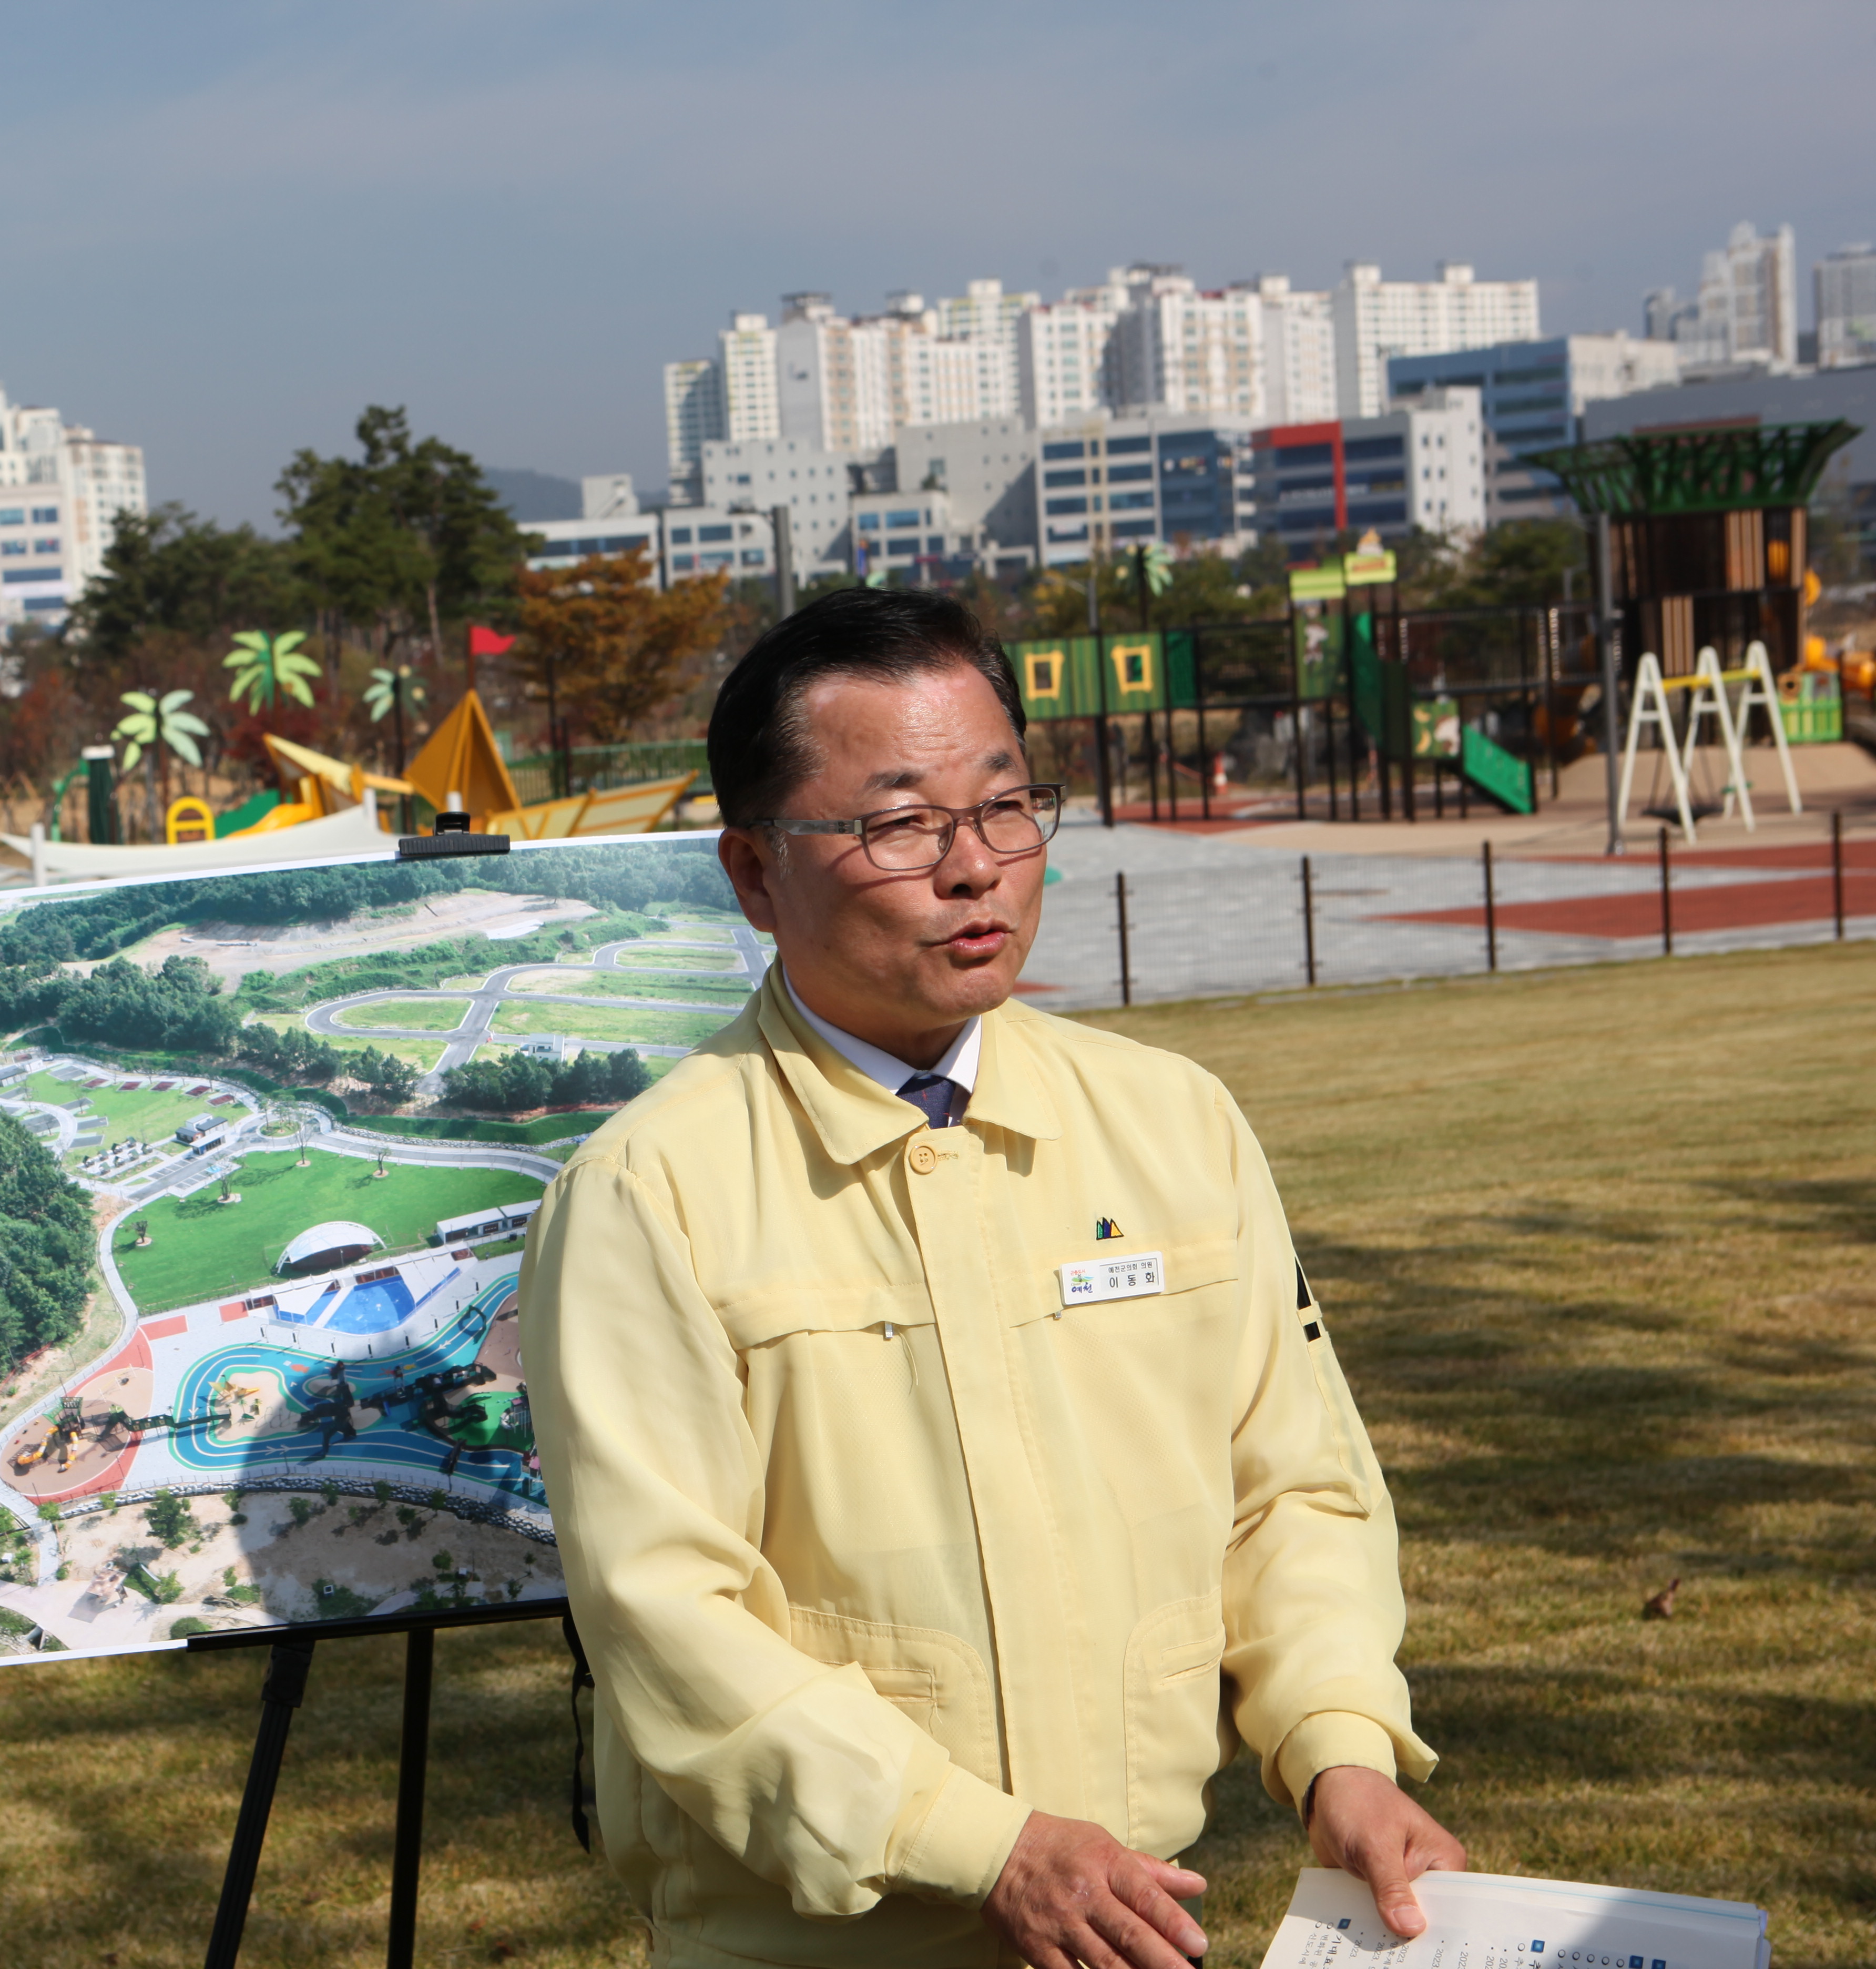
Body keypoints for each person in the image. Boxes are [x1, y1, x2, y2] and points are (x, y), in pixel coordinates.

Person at [518, 589, 1462, 1969]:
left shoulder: (1174, 1121)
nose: (974, 868)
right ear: (752, 872)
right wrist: (976, 1843)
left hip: (1130, 1926)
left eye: (1005, 806)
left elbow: (1294, 1490)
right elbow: (666, 1616)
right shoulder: (646, 1194)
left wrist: (1341, 1749)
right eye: (898, 823)